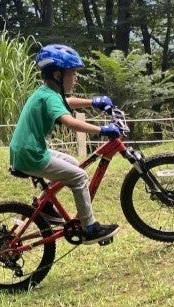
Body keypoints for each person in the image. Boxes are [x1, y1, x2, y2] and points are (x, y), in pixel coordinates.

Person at [8, 43, 121, 244]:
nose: (75, 77)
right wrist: (102, 130)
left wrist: (93, 102)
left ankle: (45, 206)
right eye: (73, 73)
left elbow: (67, 101)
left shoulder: (47, 92)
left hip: (27, 151)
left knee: (71, 161)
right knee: (79, 176)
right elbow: (70, 122)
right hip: (31, 154)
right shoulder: (50, 97)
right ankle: (90, 227)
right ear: (58, 76)